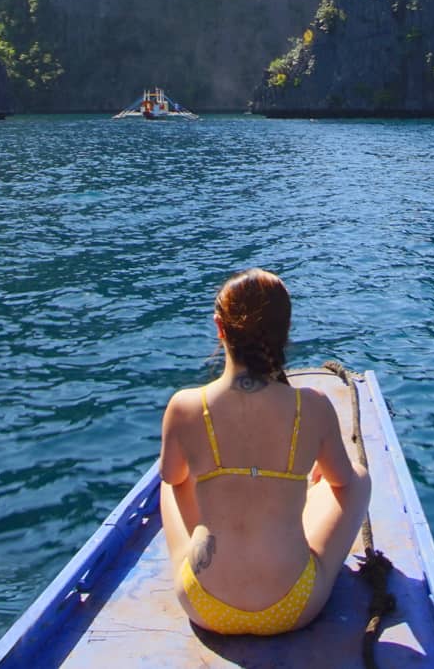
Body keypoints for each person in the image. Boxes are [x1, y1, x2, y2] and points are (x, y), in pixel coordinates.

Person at [159, 269, 372, 636]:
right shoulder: (314, 407)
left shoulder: (184, 407)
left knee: (169, 482)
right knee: (358, 479)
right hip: (291, 607)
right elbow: (344, 482)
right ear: (285, 331)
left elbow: (174, 478)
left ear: (219, 328)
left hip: (203, 604)